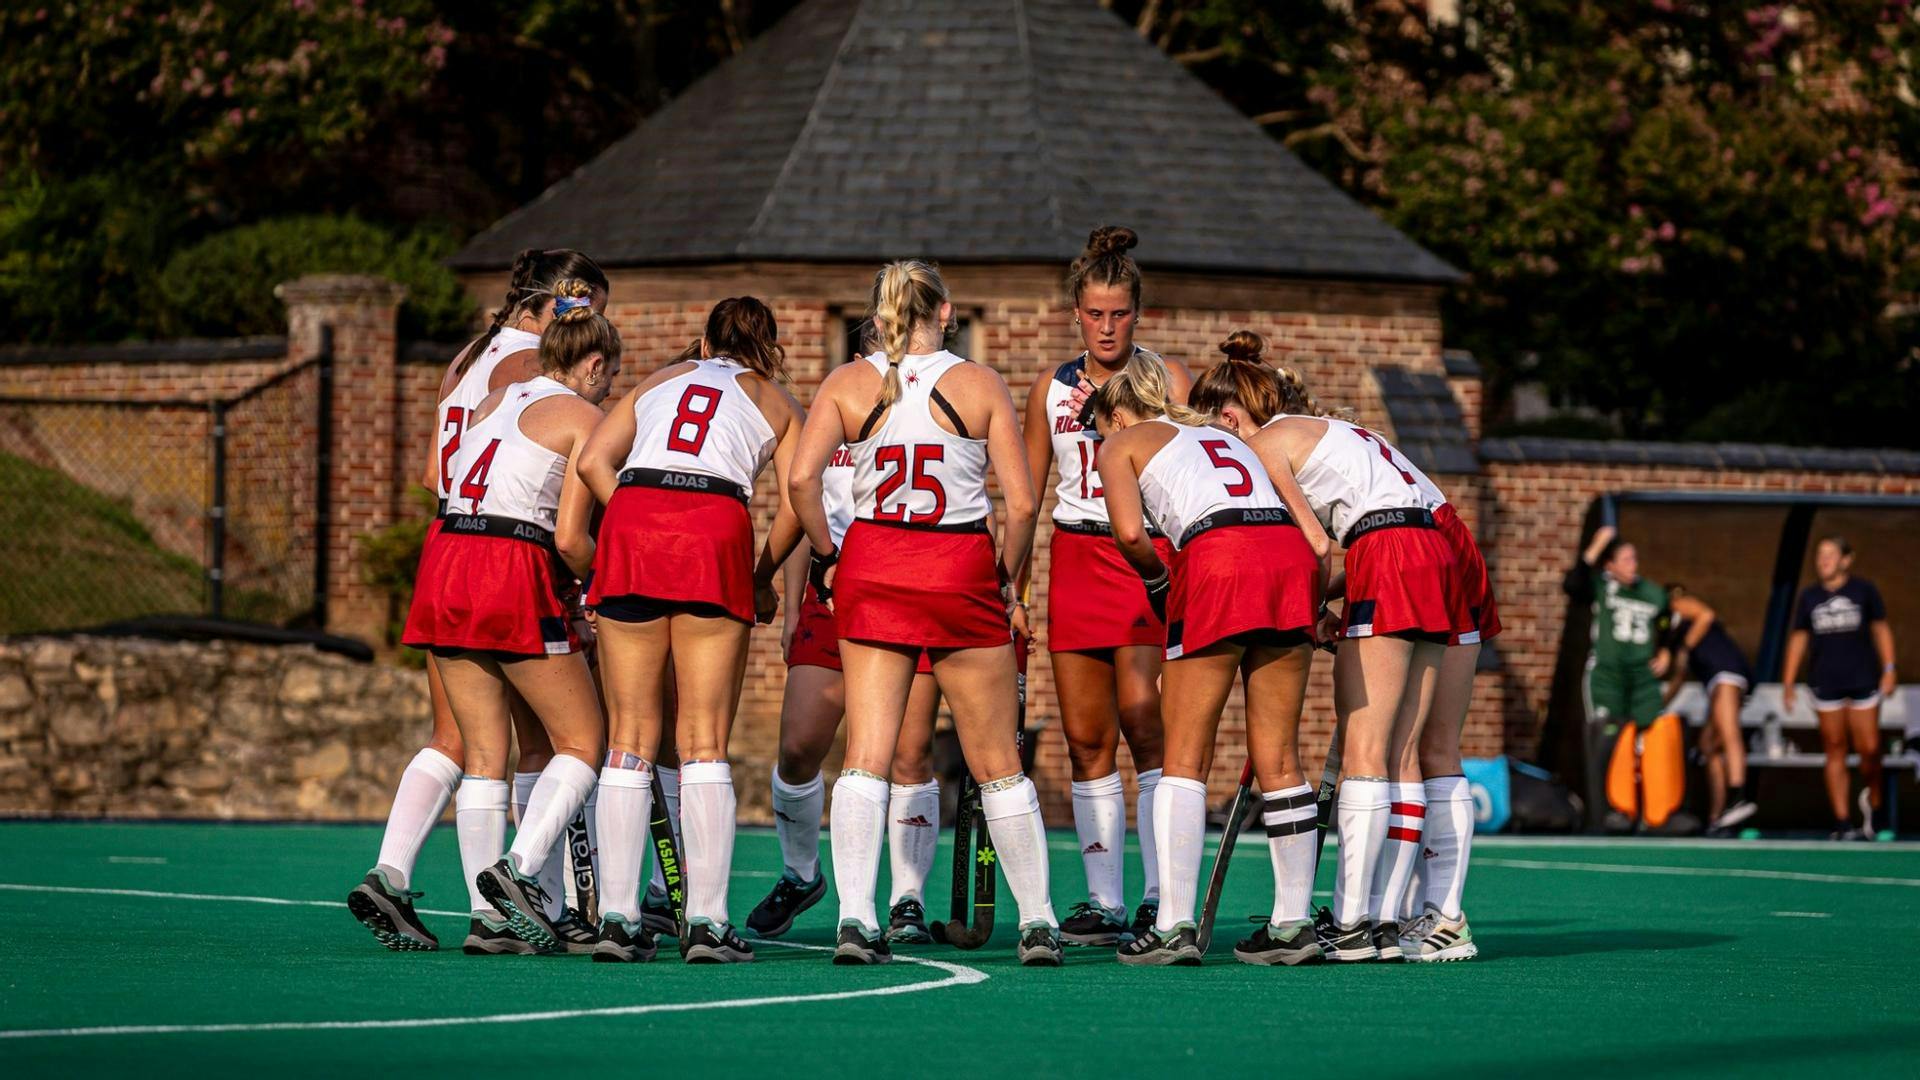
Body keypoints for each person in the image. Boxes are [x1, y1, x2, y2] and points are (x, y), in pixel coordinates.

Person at [791, 259, 1060, 967]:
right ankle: (1037, 923)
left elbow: (799, 479)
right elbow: (1026, 503)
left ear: (879, 318)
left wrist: (826, 556)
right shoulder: (978, 383)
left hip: (875, 561)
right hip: (957, 564)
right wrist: (1003, 578)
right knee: (998, 760)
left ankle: (857, 920)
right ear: (945, 312)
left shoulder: (848, 382)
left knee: (865, 757)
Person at [347, 249, 608, 954]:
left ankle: (409, 879)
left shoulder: (465, 360)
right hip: (511, 551)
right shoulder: (535, 372)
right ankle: (519, 895)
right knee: (559, 741)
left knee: (464, 741)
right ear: (560, 308)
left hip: (450, 542)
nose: (590, 338)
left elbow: (438, 472)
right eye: (587, 317)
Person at [1194, 346, 1484, 963]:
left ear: (1228, 417)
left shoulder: (1265, 444)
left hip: (1389, 550)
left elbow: (1317, 543)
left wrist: (1301, 614)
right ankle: (1394, 920)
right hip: (1439, 545)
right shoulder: (1345, 429)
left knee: (1367, 752)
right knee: (1415, 750)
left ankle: (1354, 925)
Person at [580, 297, 806, 963]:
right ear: (769, 346)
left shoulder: (661, 377)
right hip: (713, 521)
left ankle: (618, 922)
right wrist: (760, 574)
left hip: (636, 512)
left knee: (628, 739)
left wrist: (632, 519)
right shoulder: (775, 399)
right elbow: (799, 498)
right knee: (703, 739)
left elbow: (594, 460)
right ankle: (706, 922)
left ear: (706, 340)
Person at [1084, 348, 1327, 966]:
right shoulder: (1220, 434)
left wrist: (1160, 584)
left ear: (1117, 412)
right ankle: (1294, 923)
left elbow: (1132, 535)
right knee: (1280, 757)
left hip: (1220, 559)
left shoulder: (1120, 442)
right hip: (1287, 557)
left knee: (1184, 757)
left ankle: (1174, 925)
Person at [1018, 226, 1188, 944]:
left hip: (1145, 558)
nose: (1107, 326)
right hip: (1077, 557)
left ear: (1137, 315)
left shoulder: (1166, 381)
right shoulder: (1050, 389)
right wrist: (1016, 591)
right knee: (1087, 737)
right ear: (1076, 315)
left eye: (1120, 313)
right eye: (1095, 313)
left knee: (1145, 721)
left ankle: (1158, 893)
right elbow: (1026, 492)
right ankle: (1102, 898)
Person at [747, 374, 947, 945]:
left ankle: (906, 897)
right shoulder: (830, 419)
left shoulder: (931, 413)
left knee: (909, 754)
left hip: (910, 587)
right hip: (833, 593)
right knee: (798, 746)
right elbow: (800, 516)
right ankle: (801, 872)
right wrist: (787, 612)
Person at [1782, 537, 1898, 839]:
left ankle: (1875, 807)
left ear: (1846, 559)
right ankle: (1842, 820)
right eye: (1820, 555)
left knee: (1869, 749)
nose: (1823, 561)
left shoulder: (1864, 591)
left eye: (1830, 555)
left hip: (1862, 679)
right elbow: (1798, 638)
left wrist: (1889, 668)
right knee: (1835, 748)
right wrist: (1788, 681)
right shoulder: (1809, 597)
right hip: (1826, 681)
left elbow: (1881, 629)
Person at [1564, 526, 1674, 832]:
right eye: (1625, 559)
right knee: (1605, 739)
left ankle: (1651, 813)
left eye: (1634, 558)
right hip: (1608, 677)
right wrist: (1596, 546)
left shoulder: (1652, 592)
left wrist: (1666, 651)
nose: (1632, 565)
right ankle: (1604, 812)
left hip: (1642, 678)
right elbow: (1572, 585)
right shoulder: (1602, 586)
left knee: (1648, 738)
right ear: (1610, 565)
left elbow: (1668, 621)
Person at [1663, 584, 1758, 834]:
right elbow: (1679, 676)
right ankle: (1718, 815)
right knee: (1708, 745)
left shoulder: (1682, 608)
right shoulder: (1675, 636)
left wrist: (1685, 647)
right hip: (1717, 682)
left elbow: (1706, 615)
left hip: (1727, 674)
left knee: (1728, 733)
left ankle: (1739, 796)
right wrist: (1657, 706)